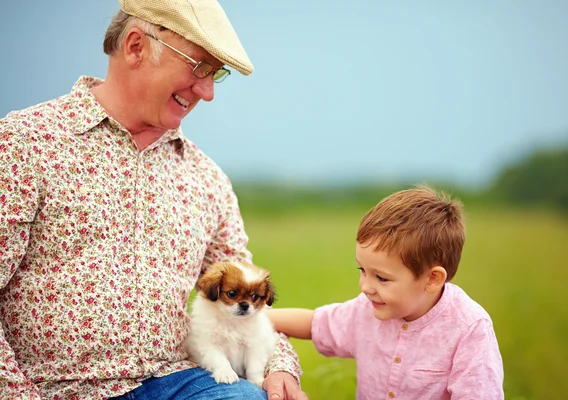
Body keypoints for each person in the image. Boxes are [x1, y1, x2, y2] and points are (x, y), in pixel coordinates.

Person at [0, 0, 308, 399]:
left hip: (180, 380)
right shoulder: (24, 144)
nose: (208, 91)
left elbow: (247, 288)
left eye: (217, 74)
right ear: (135, 47)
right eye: (198, 66)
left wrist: (281, 364)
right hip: (53, 387)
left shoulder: (207, 177)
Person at [268, 186, 504, 400]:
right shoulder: (367, 309)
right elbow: (315, 323)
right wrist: (257, 318)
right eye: (362, 270)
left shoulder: (469, 329)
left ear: (432, 279)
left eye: (381, 278)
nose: (366, 287)